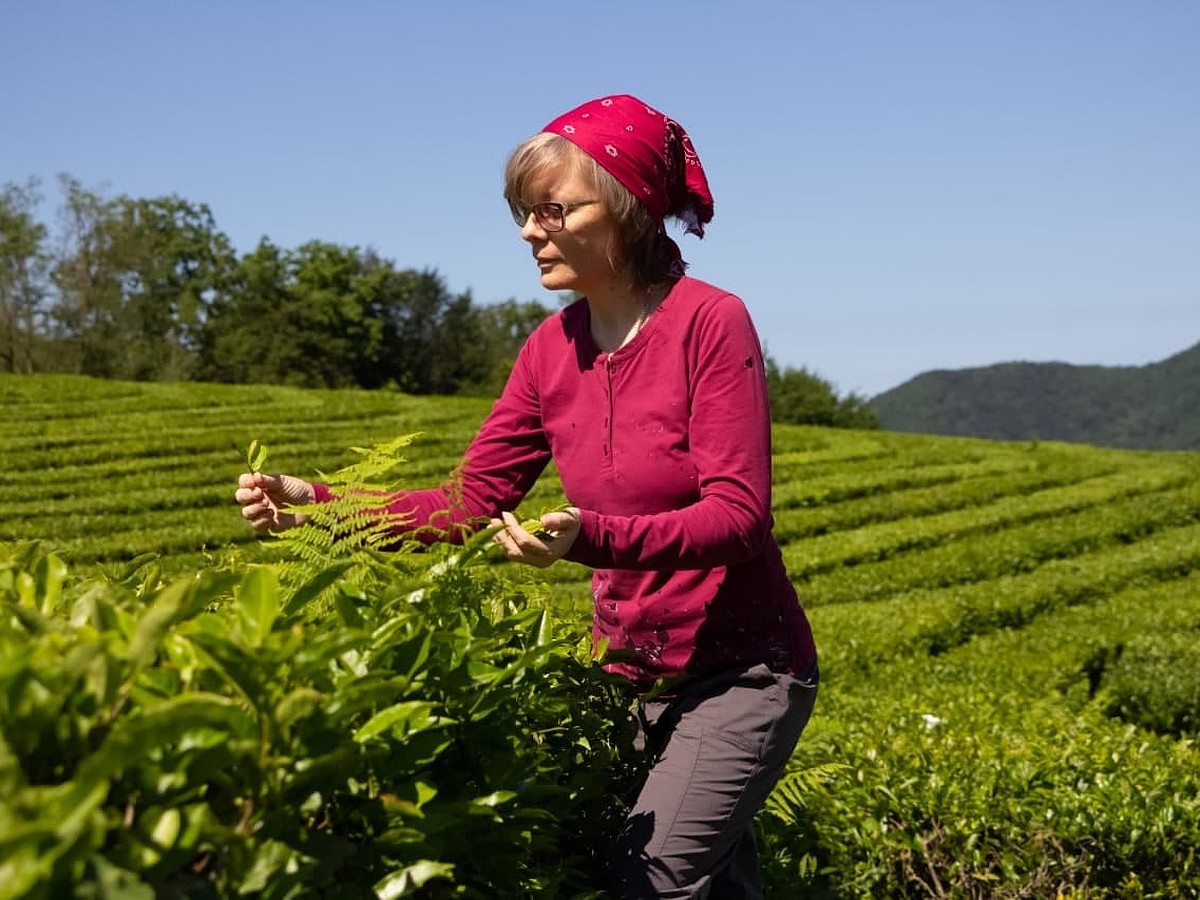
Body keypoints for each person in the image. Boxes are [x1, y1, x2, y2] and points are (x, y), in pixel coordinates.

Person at [235, 93, 818, 898]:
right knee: (708, 883)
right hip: (627, 676)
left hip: (745, 672)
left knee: (652, 880)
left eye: (551, 208)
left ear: (623, 211)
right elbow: (468, 504)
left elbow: (738, 518)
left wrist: (588, 538)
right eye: (522, 211)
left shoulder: (709, 324)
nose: (527, 231)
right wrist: (318, 505)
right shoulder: (549, 351)